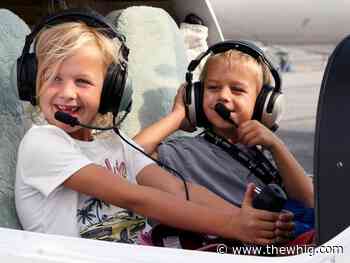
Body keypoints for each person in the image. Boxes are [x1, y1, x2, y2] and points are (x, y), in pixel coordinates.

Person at [14, 9, 293, 246]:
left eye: (82, 82)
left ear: (112, 91)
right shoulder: (42, 142)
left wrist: (250, 222)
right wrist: (233, 224)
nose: (66, 93)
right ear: (34, 86)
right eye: (52, 79)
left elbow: (179, 190)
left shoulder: (114, 144)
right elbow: (135, 197)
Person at [133, 41, 314, 243]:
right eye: (213, 88)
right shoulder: (185, 151)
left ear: (264, 103)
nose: (223, 96)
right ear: (197, 96)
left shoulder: (268, 150)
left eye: (237, 90)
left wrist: (277, 146)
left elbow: (309, 201)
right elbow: (129, 154)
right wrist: (178, 116)